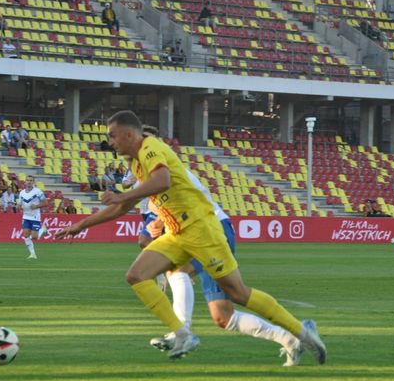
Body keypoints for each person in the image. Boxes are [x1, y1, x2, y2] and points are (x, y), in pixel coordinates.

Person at [55, 110, 327, 363]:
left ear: (129, 134)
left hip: (201, 229)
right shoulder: (138, 164)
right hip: (177, 233)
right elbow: (122, 207)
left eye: (112, 136)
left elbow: (162, 182)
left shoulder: (151, 148)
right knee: (137, 275)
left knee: (238, 294)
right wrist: (82, 225)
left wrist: (123, 195)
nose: (110, 142)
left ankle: (301, 333)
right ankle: (183, 334)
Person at [134, 125, 302, 366]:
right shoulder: (150, 175)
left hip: (210, 230)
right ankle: (289, 339)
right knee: (223, 317)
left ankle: (181, 333)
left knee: (179, 272)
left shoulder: (164, 171)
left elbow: (177, 208)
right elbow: (147, 235)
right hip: (196, 234)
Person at [17, 175, 48, 259]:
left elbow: (45, 203)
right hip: (26, 216)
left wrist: (36, 206)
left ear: (33, 182)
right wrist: (18, 206)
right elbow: (19, 203)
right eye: (27, 180)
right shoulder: (22, 192)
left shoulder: (38, 192)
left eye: (31, 180)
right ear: (25, 182)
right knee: (26, 235)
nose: (29, 182)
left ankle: (43, 230)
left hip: (35, 216)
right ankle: (33, 254)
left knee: (34, 237)